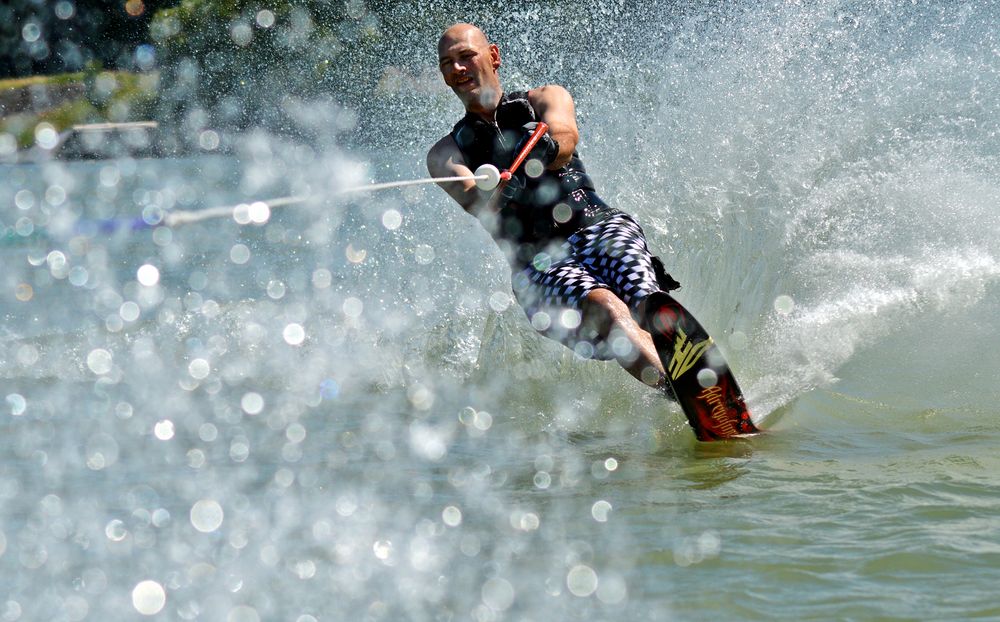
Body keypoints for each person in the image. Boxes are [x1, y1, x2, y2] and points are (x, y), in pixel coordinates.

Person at [427, 23, 680, 397]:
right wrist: (500, 190)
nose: (458, 68)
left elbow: (564, 137)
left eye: (467, 56)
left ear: (493, 56)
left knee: (646, 302)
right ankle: (682, 398)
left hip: (599, 228)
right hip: (540, 264)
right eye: (448, 63)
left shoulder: (545, 98)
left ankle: (695, 383)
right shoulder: (445, 154)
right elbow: (476, 202)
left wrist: (539, 152)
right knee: (606, 308)